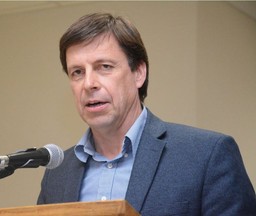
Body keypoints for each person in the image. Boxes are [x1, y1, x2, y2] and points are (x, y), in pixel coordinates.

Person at [37, 12, 256, 215]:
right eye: (77, 72)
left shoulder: (207, 156)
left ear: (139, 73)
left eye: (104, 67)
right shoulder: (58, 172)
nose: (89, 83)